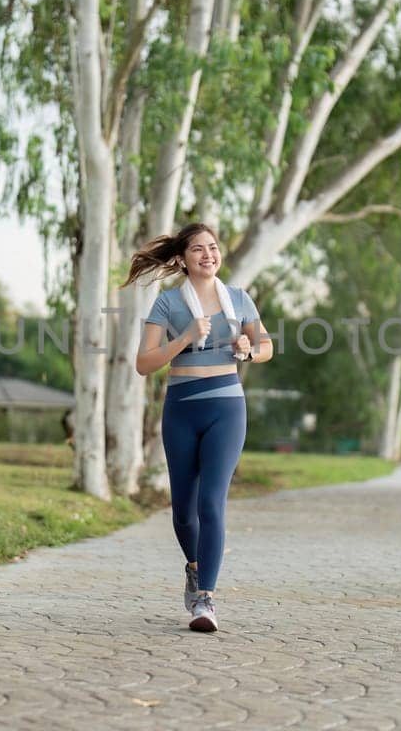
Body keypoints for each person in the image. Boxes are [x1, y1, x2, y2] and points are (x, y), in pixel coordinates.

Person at [124, 222, 273, 632]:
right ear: (182, 259)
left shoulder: (239, 299)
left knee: (211, 503)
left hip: (227, 408)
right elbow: (144, 363)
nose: (208, 255)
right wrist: (185, 337)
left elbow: (266, 347)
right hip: (181, 410)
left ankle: (204, 599)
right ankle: (194, 566)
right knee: (184, 512)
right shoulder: (168, 305)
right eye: (197, 250)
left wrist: (248, 350)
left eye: (212, 247)